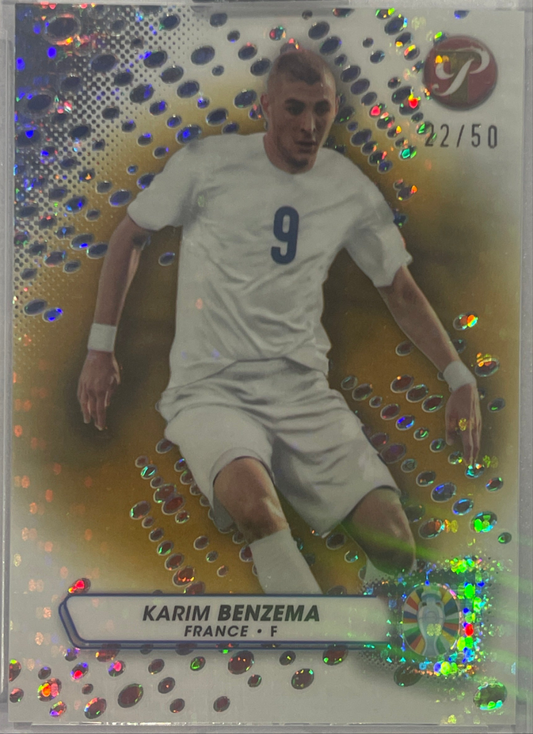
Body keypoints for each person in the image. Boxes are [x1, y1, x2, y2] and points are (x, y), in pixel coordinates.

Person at [78, 50, 481, 594]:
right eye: (295, 108)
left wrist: (458, 377)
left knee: (395, 548)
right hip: (211, 389)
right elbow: (131, 235)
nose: (309, 125)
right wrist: (99, 348)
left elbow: (400, 290)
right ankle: (307, 631)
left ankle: (365, 621)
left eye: (322, 109)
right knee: (257, 508)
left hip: (302, 393)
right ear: (265, 106)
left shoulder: (348, 188)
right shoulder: (207, 164)